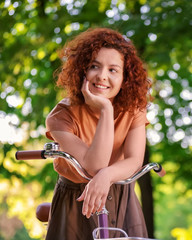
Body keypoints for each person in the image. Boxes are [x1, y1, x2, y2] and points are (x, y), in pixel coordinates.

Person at [44, 27, 151, 239]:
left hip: (122, 195)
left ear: (125, 77)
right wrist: (106, 109)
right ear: (82, 70)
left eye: (113, 70)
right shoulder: (61, 116)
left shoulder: (134, 108)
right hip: (76, 199)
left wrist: (108, 175)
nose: (102, 76)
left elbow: (134, 159)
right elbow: (94, 166)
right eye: (95, 66)